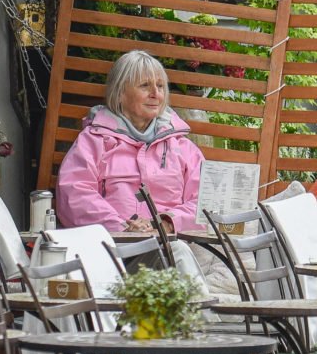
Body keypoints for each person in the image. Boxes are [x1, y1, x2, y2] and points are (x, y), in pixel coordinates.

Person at [53, 50, 206, 235]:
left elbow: (204, 200)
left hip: (172, 241)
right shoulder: (94, 141)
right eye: (144, 86)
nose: (155, 94)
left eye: (160, 86)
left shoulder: (182, 146)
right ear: (120, 93)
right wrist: (121, 227)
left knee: (178, 254)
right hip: (115, 245)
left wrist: (167, 223)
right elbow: (74, 195)